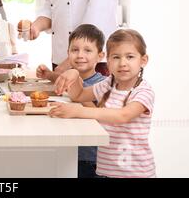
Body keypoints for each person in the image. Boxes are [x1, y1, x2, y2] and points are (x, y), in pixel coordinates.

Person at [51, 29, 156, 178]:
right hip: (106, 171)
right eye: (116, 57)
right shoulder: (109, 84)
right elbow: (79, 95)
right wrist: (74, 74)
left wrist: (79, 112)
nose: (123, 63)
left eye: (130, 57)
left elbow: (123, 116)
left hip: (135, 173)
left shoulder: (143, 91)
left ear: (143, 60)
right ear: (108, 61)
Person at [37, 23, 105, 178]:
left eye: (88, 50)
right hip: (65, 151)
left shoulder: (103, 84)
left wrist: (74, 83)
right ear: (68, 54)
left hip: (89, 159)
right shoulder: (68, 78)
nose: (80, 55)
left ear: (100, 56)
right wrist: (48, 74)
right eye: (75, 50)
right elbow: (61, 79)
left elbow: (101, 116)